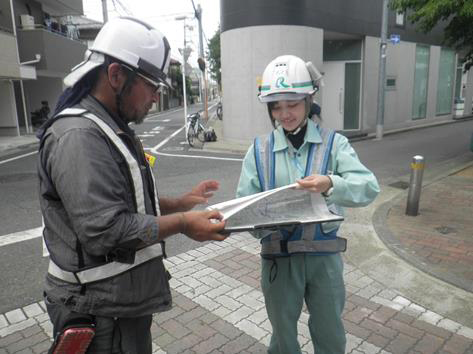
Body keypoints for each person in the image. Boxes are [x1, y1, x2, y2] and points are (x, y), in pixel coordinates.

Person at [37, 17, 226, 353]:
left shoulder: (108, 126)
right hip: (98, 312)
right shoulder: (80, 137)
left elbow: (125, 203)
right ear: (115, 75)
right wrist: (183, 224)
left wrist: (180, 203)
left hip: (116, 306)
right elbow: (107, 229)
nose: (155, 97)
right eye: (152, 86)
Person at [236, 55, 380, 354]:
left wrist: (331, 183)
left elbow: (368, 187)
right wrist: (253, 218)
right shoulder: (259, 149)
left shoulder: (334, 143)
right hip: (278, 257)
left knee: (330, 335)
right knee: (283, 338)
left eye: (293, 104)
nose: (284, 114)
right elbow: (243, 206)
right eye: (276, 106)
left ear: (309, 98)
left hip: (324, 258)